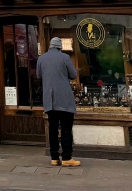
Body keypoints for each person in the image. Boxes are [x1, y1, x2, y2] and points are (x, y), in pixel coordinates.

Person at [36, 36, 80, 167]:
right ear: (60, 47)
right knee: (66, 128)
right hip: (64, 98)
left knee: (53, 128)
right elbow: (73, 75)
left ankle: (54, 157)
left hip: (49, 100)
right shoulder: (65, 58)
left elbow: (38, 75)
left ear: (50, 46)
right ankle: (67, 157)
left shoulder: (41, 58)